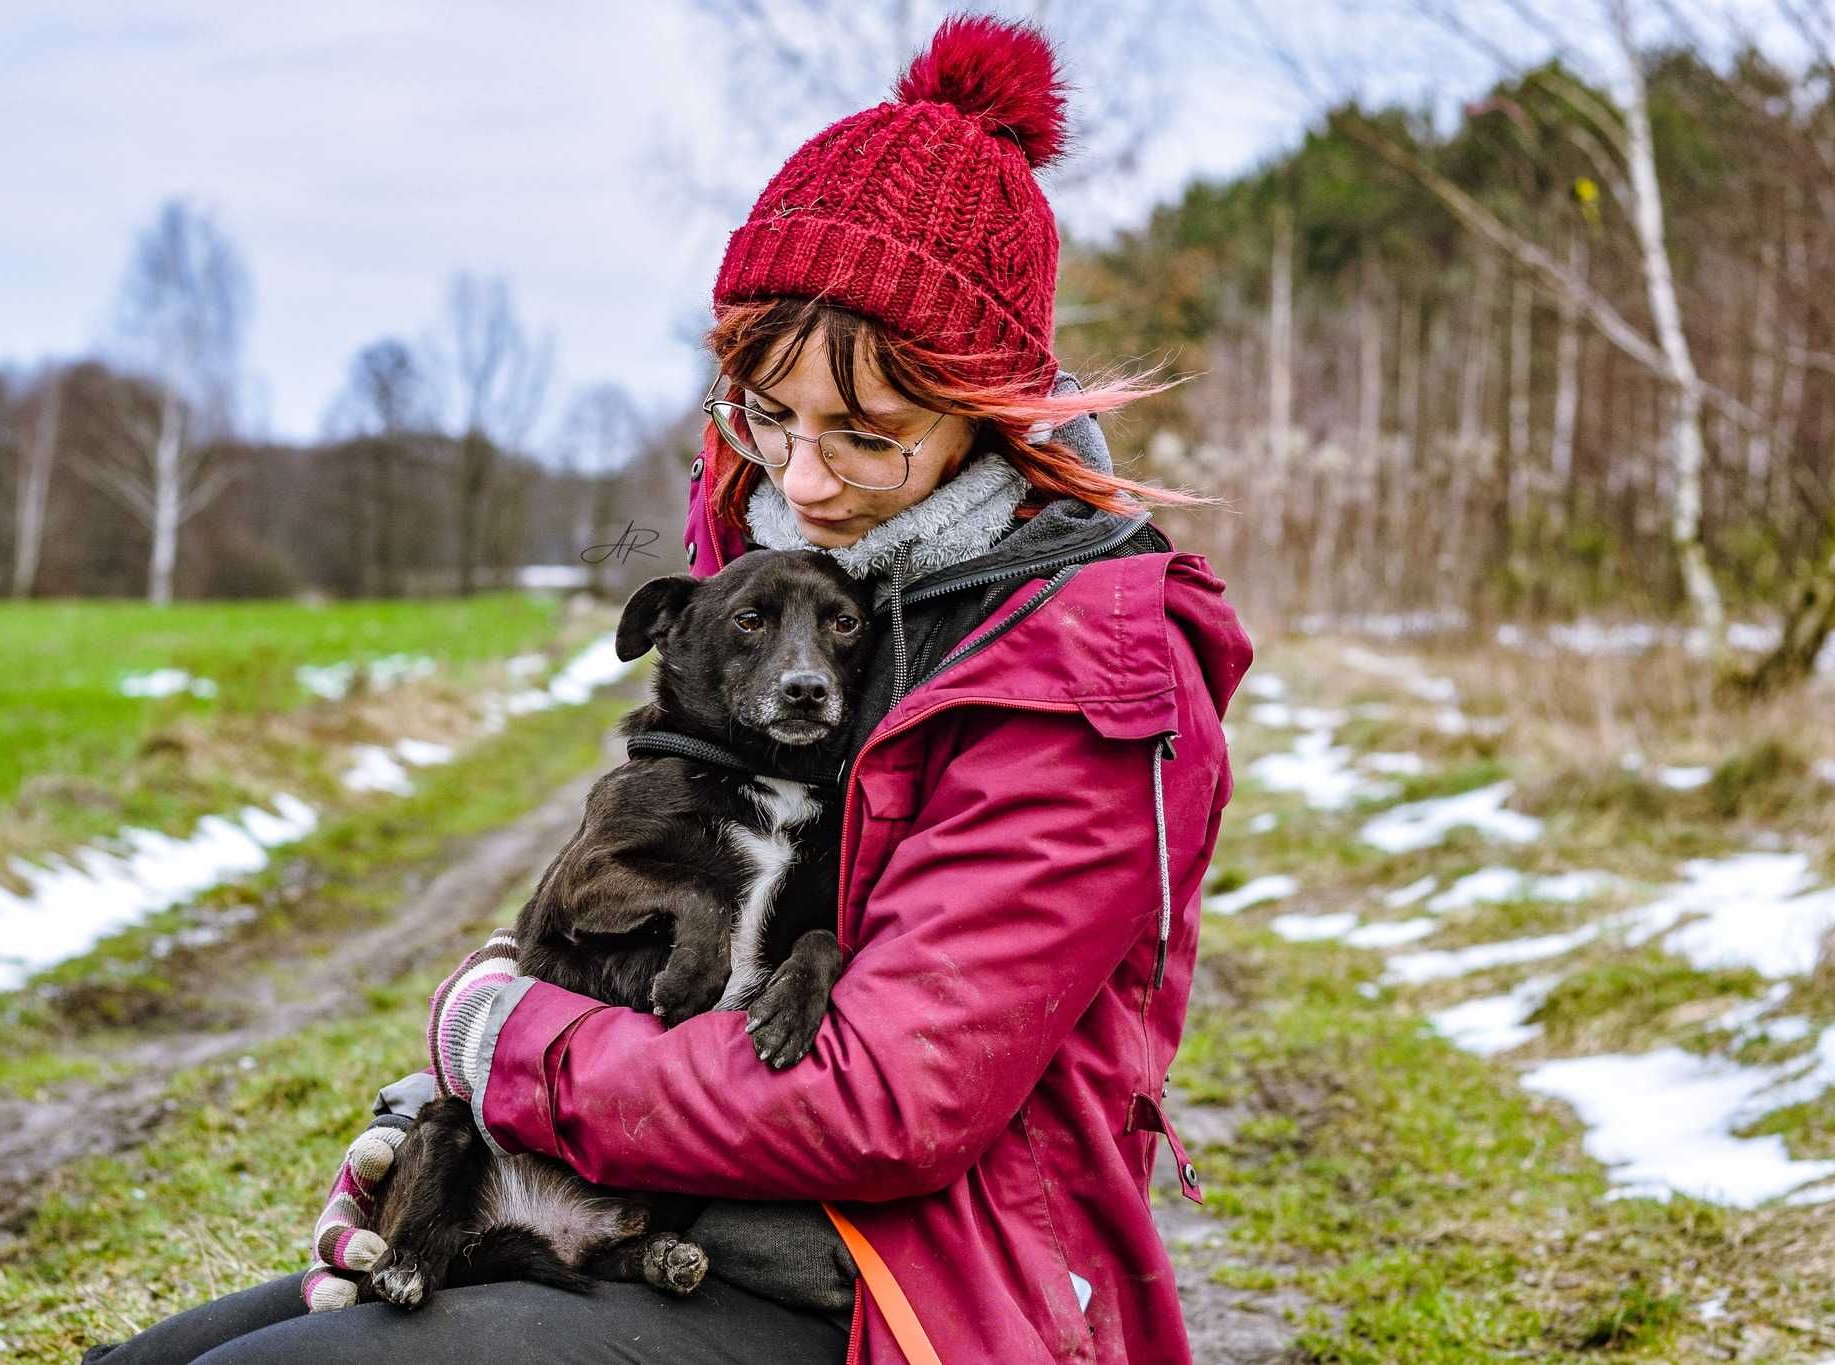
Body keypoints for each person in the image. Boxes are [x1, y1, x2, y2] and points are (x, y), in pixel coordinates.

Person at [83, 13, 1251, 1364]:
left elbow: (878, 1098)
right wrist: (455, 1114)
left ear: (988, 415)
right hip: (655, 1208)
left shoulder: (1088, 672)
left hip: (875, 1294)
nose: (800, 479)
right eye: (767, 413)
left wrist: (516, 1051)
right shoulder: (807, 567)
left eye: (862, 431)